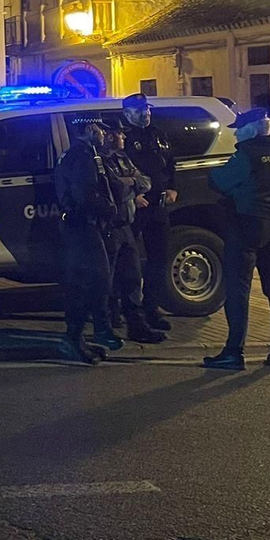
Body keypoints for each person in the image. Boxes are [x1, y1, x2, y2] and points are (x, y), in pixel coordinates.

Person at [204, 108, 270, 370]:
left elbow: (219, 181)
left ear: (252, 129)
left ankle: (233, 352)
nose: (236, 135)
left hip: (247, 224)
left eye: (240, 129)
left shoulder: (246, 155)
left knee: (238, 289)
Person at [52, 119, 126, 364]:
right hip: (82, 225)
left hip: (81, 225)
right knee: (93, 280)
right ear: (88, 130)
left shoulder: (81, 154)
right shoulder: (82, 156)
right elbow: (85, 194)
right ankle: (74, 338)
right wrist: (110, 209)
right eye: (101, 129)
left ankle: (83, 336)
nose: (105, 133)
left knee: (89, 281)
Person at [99, 125, 167, 343]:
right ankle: (107, 325)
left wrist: (131, 183)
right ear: (109, 136)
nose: (124, 136)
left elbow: (146, 182)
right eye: (120, 133)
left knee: (132, 277)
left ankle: (137, 327)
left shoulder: (122, 159)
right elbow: (114, 188)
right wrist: (130, 184)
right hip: (108, 227)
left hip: (126, 225)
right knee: (106, 279)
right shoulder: (99, 160)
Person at [120, 93, 178, 333]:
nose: (145, 114)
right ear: (127, 114)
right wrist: (133, 194)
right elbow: (119, 171)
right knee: (129, 262)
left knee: (159, 260)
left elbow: (170, 163)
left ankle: (151, 309)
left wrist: (173, 187)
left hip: (158, 206)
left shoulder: (158, 134)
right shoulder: (124, 138)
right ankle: (129, 312)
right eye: (139, 110)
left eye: (146, 109)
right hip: (137, 207)